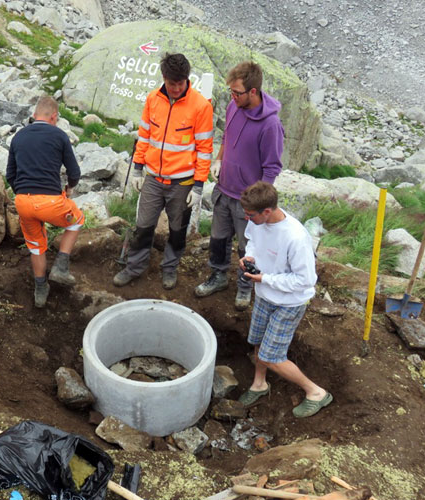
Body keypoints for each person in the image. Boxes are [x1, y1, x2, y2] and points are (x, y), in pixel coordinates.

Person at [113, 53, 213, 290]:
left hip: (183, 182)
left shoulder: (200, 106)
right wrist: (137, 168)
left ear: (187, 79)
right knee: (143, 225)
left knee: (178, 230)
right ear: (164, 78)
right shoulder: (152, 100)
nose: (176, 88)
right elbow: (145, 136)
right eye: (171, 83)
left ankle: (169, 269)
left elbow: (205, 150)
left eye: (181, 83)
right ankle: (135, 267)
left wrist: (198, 186)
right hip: (153, 179)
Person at [237, 182, 332, 418]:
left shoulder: (296, 237)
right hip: (264, 295)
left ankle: (316, 392)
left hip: (289, 303)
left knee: (272, 357)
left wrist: (266, 278)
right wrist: (250, 255)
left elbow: (305, 280)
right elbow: (253, 239)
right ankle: (259, 384)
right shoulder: (257, 222)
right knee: (258, 340)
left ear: (266, 211)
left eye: (250, 215)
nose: (247, 218)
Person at [194, 61, 284, 310]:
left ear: (252, 92)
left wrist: (258, 202)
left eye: (237, 92)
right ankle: (218, 276)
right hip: (224, 189)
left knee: (248, 247)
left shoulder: (270, 125)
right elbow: (227, 136)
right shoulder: (234, 106)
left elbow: (272, 167)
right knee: (218, 238)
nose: (232, 97)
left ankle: (245, 286)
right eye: (231, 92)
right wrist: (219, 159)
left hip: (247, 200)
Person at [6, 96, 85, 308]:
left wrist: (22, 194)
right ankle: (61, 265)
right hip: (51, 201)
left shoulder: (18, 137)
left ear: (34, 116)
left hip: (23, 201)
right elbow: (74, 172)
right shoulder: (59, 135)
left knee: (35, 246)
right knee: (77, 220)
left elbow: (10, 175)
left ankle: (40, 289)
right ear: (54, 117)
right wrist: (68, 189)